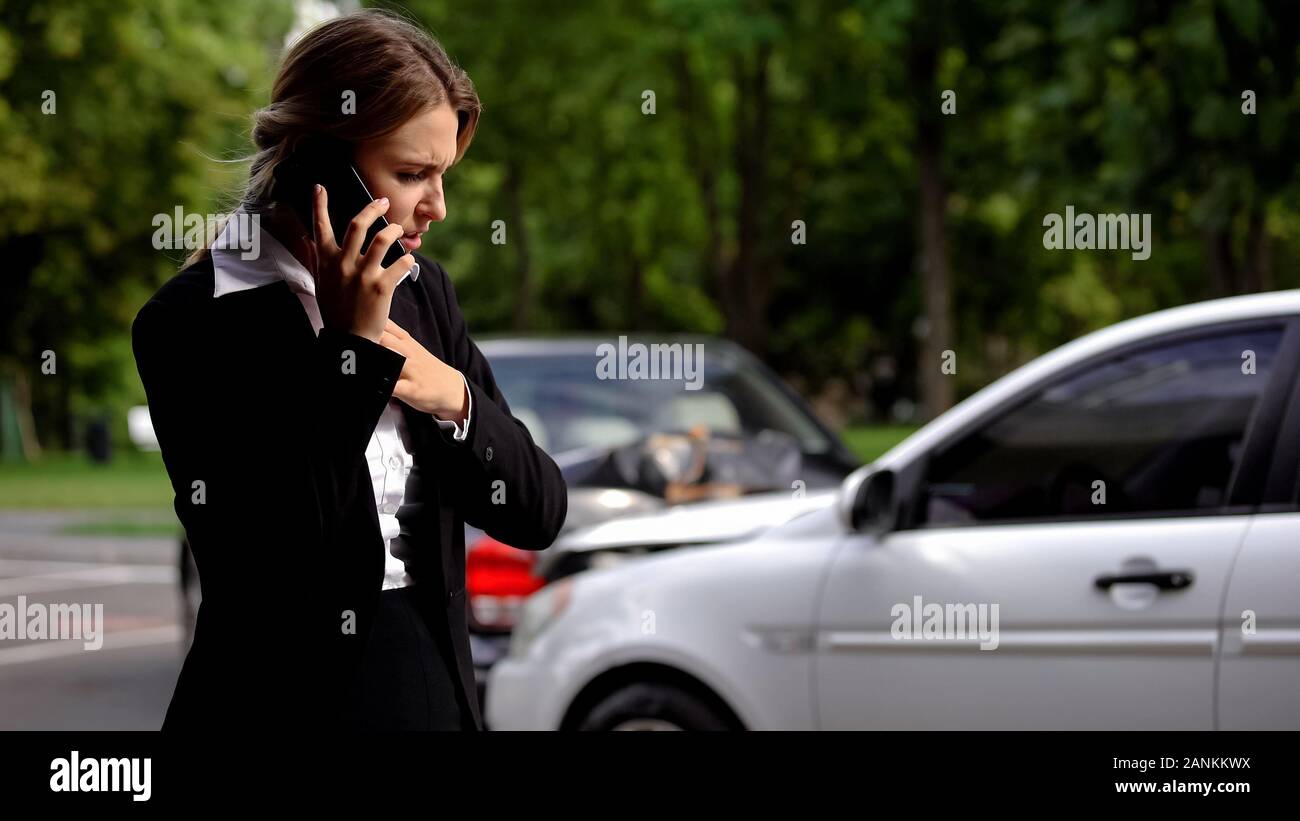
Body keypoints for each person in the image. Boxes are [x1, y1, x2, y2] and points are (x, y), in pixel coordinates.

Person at [131, 9, 567, 731]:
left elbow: (536, 510)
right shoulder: (191, 323)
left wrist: (453, 396)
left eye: (443, 174)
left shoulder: (424, 293)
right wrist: (353, 350)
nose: (439, 206)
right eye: (411, 173)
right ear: (319, 165)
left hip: (432, 692)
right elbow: (274, 555)